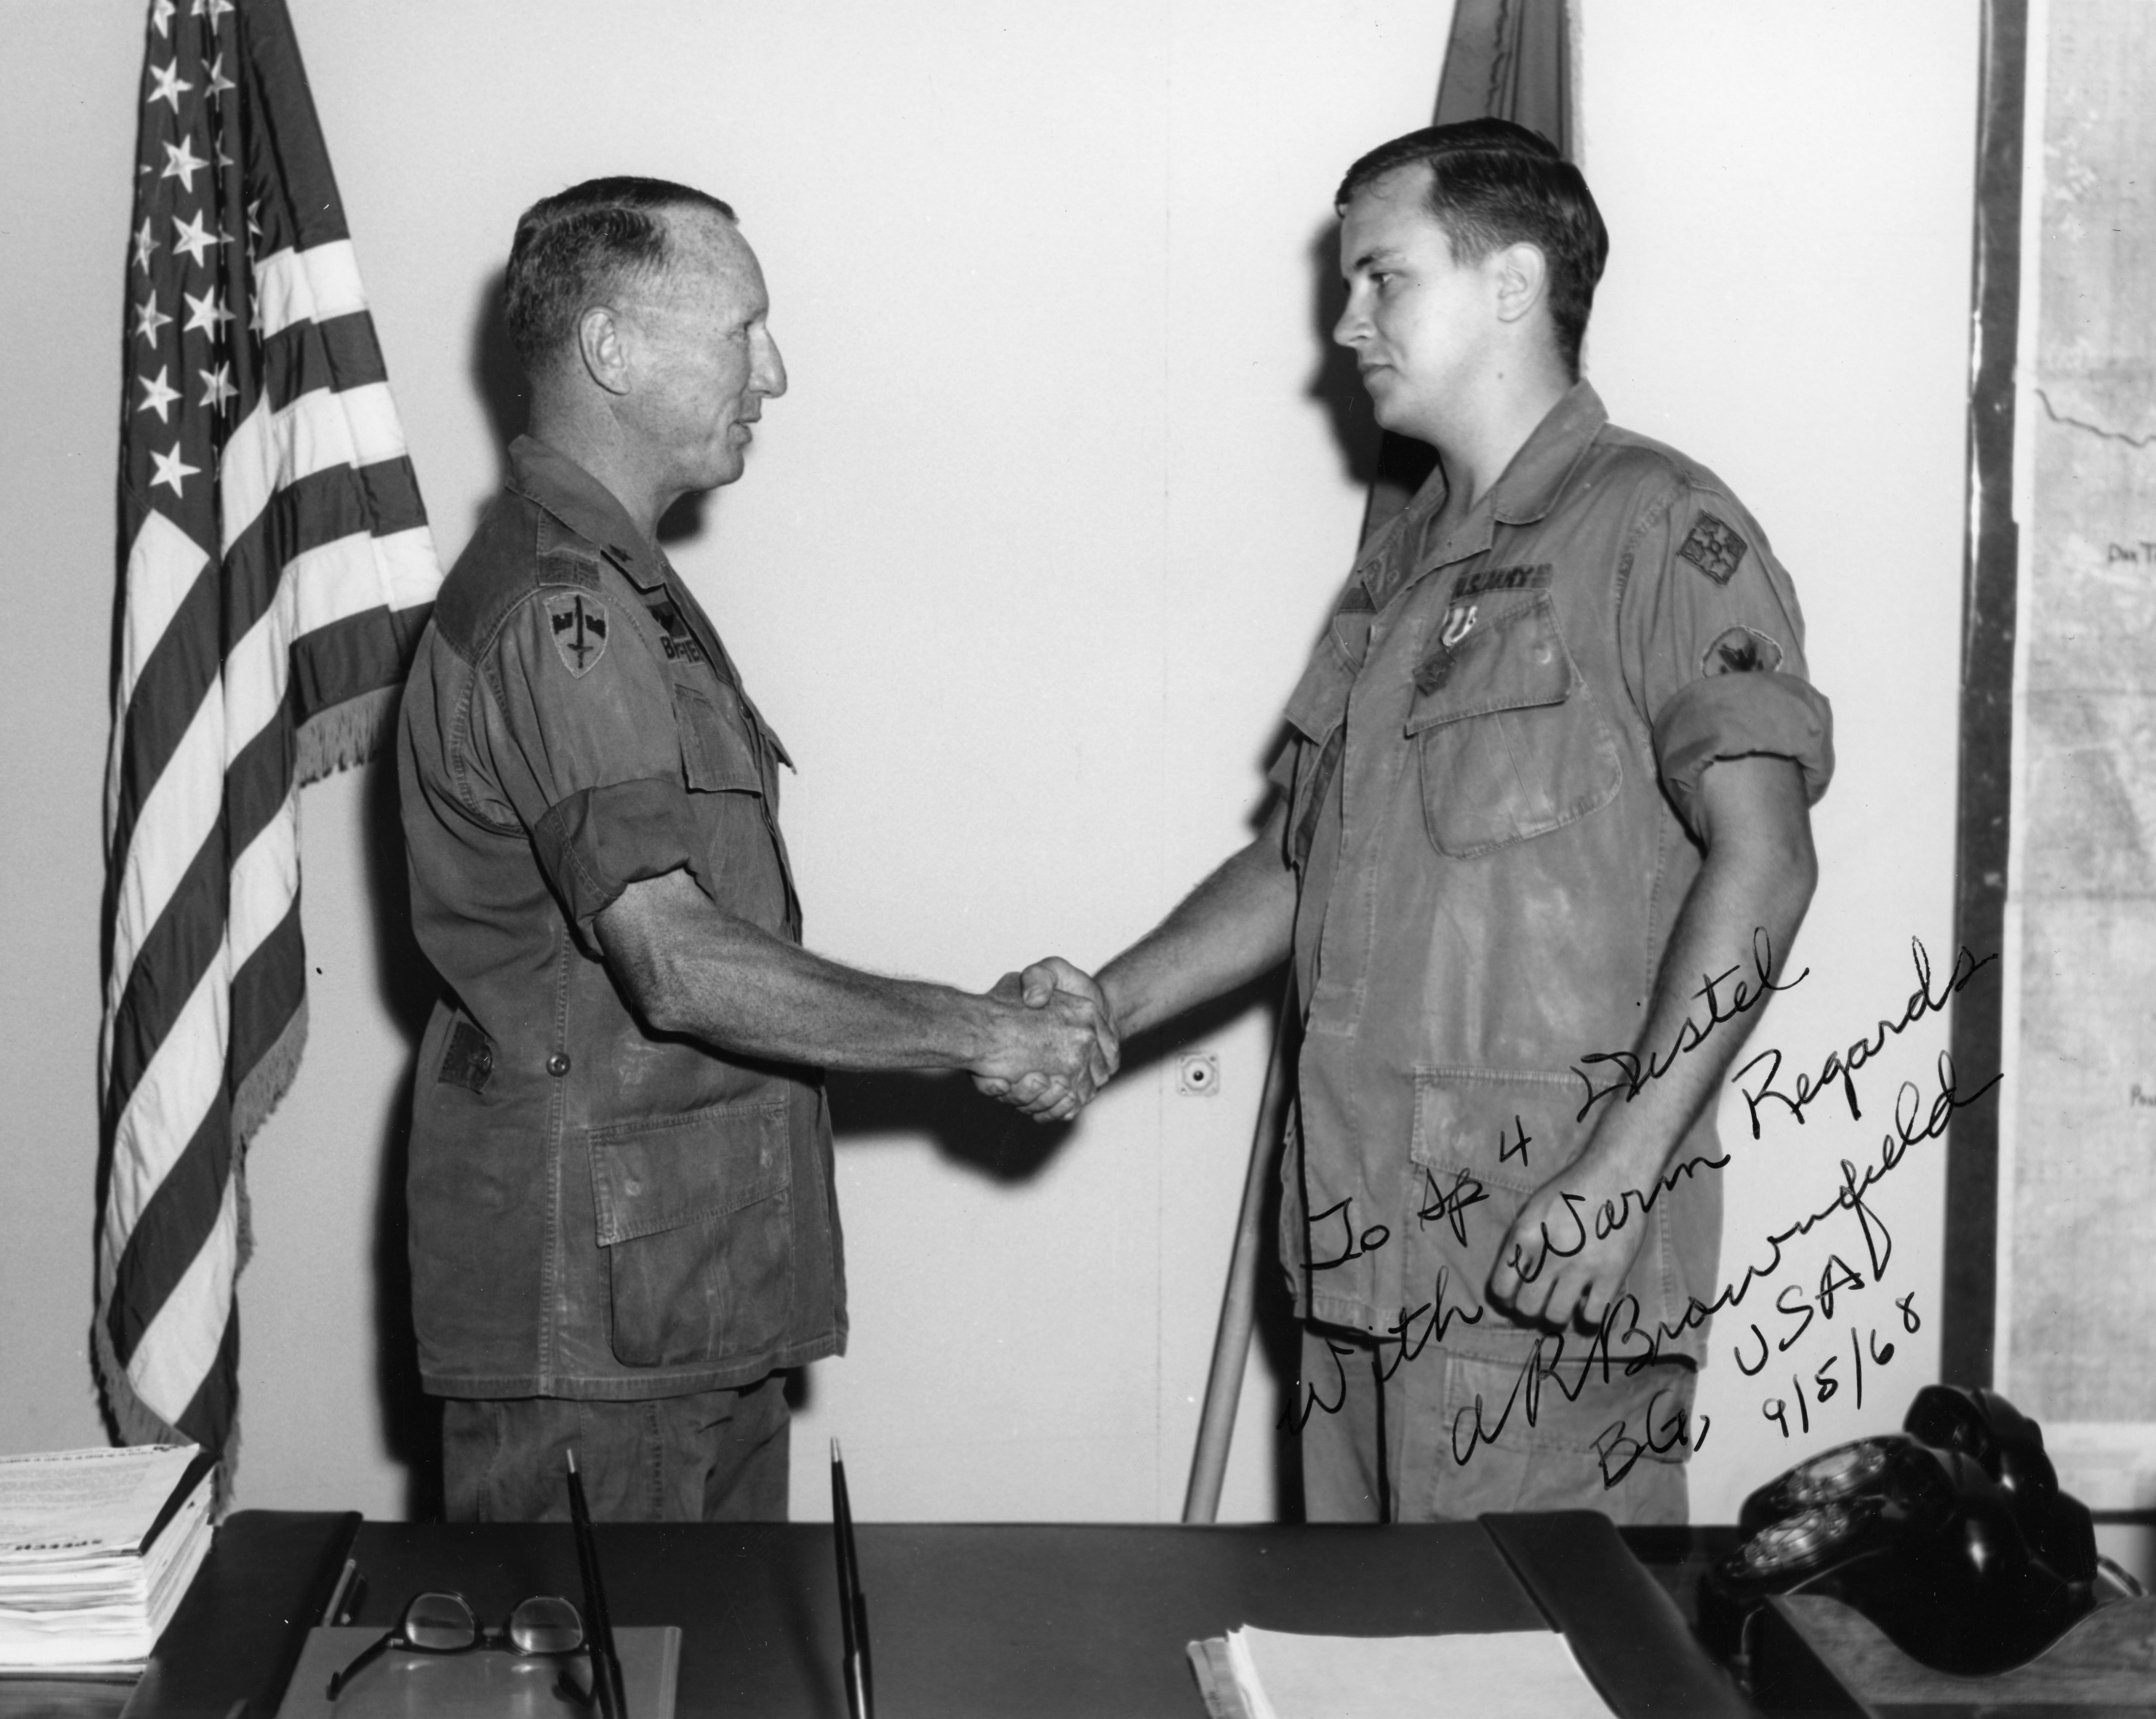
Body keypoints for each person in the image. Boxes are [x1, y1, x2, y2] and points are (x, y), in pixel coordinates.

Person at [996, 120, 1831, 1523]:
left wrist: (1621, 1170)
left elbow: (1768, 858)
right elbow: (1296, 860)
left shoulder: (1658, 528)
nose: (1344, 323)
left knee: (1524, 1672)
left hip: (1539, 1263)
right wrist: (1102, 1007)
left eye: (1382, 278)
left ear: (1510, 282)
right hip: (1356, 1262)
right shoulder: (1400, 570)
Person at [397, 176, 1113, 1524]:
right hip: (597, 1325)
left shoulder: (618, 592)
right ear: (612, 351)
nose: (771, 372)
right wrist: (981, 1034)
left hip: (672, 1290)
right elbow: (672, 962)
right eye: (743, 331)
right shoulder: (566, 610)